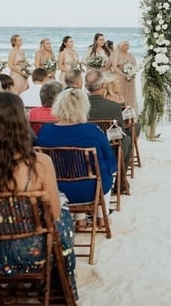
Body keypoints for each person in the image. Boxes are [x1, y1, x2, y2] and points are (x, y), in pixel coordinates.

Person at [0, 92, 77, 298]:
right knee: (62, 215)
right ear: (22, 123)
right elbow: (54, 215)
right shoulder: (40, 163)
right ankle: (60, 285)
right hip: (33, 253)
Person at [36, 88, 117, 229]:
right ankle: (101, 217)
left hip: (56, 190)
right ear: (84, 107)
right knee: (103, 171)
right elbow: (111, 162)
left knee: (76, 168)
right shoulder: (92, 130)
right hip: (90, 190)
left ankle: (80, 220)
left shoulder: (45, 131)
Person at [84, 70, 132, 172]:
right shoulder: (113, 107)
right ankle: (121, 180)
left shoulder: (79, 107)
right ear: (103, 85)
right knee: (127, 139)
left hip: (84, 151)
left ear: (86, 86)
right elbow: (120, 132)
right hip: (107, 152)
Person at [111, 40, 138, 112]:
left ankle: (130, 113)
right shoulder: (116, 55)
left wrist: (131, 73)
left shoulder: (131, 55)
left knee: (130, 95)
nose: (127, 46)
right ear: (121, 46)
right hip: (119, 77)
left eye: (128, 45)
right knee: (120, 94)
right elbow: (114, 67)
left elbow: (135, 66)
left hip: (129, 78)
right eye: (125, 45)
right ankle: (120, 112)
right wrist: (124, 75)